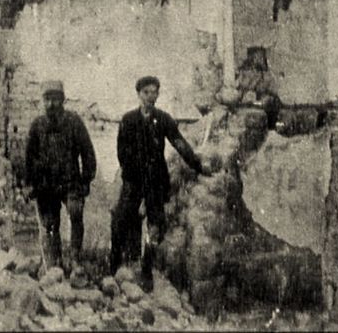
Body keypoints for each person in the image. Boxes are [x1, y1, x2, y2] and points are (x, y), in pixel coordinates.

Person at [111, 76, 209, 288]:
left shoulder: (163, 119)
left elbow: (179, 143)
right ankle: (116, 266)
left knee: (155, 226)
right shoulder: (128, 120)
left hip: (156, 180)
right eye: (146, 92)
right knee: (122, 220)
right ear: (139, 94)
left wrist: (198, 165)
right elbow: (122, 154)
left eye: (154, 92)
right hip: (133, 180)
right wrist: (134, 179)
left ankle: (147, 270)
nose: (150, 96)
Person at [24, 80, 97, 272]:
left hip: (71, 182)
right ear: (43, 101)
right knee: (49, 225)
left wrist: (86, 180)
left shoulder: (73, 122)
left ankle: (75, 258)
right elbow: (29, 157)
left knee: (75, 213)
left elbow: (88, 152)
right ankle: (54, 263)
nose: (51, 104)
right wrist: (29, 184)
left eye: (55, 99)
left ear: (62, 100)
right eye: (47, 100)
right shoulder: (37, 125)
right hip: (45, 185)